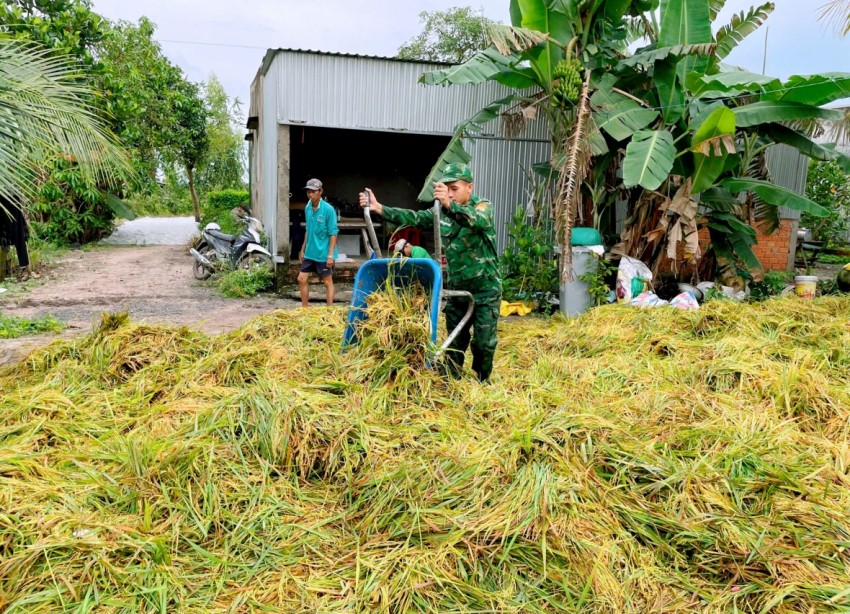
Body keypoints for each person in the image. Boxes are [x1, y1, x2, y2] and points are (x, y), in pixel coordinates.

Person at [359, 163, 502, 382]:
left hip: (485, 290)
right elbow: (414, 218)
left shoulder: (482, 207)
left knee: (483, 343)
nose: (450, 194)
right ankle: (452, 380)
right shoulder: (440, 213)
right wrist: (380, 209)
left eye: (454, 189)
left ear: (469, 187)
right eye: (446, 189)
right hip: (458, 288)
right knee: (455, 341)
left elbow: (476, 220)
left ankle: (483, 379)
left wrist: (449, 205)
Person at [298, 178, 338, 307]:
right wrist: (302, 249)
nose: (311, 194)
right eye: (309, 192)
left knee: (327, 282)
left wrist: (330, 255)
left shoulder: (328, 210)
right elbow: (308, 230)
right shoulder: (308, 207)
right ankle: (304, 309)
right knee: (301, 279)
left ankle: (329, 311)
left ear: (321, 192)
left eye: (314, 191)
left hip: (324, 253)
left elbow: (333, 233)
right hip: (310, 252)